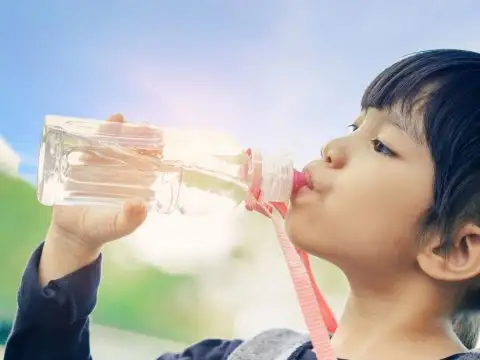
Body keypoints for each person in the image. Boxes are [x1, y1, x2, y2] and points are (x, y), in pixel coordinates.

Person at [5, 48, 480, 360]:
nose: (333, 147)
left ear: (455, 248)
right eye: (355, 127)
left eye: (382, 146)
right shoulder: (243, 355)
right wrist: (71, 245)